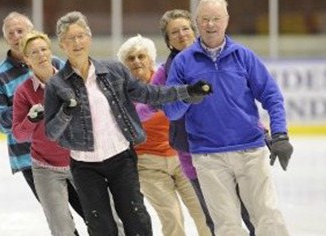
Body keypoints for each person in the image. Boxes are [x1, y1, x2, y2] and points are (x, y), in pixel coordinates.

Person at [44, 11, 211, 236]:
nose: (77, 43)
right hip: (85, 166)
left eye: (81, 36)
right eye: (70, 38)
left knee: (137, 219)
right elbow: (51, 132)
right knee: (101, 226)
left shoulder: (114, 71)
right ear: (62, 45)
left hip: (121, 160)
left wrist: (186, 91)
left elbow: (149, 93)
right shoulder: (56, 84)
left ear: (89, 38)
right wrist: (66, 112)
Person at [164, 1, 293, 235]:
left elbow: (272, 95)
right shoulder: (183, 62)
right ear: (197, 22)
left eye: (216, 19)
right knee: (226, 225)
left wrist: (280, 134)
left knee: (268, 217)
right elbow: (172, 111)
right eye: (204, 19)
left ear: (226, 21)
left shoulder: (243, 56)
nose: (210, 25)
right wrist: (187, 95)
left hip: (250, 151)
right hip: (208, 156)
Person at [154, 9, 256, 236]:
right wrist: (157, 103)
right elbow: (146, 103)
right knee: (215, 217)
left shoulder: (218, 57)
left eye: (185, 29)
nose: (181, 35)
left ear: (195, 30)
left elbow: (238, 102)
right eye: (174, 32)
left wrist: (258, 126)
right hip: (193, 154)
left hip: (231, 147)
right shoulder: (164, 73)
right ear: (168, 41)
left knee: (250, 213)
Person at [0, 11, 84, 223]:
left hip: (68, 151)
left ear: (31, 32)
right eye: (10, 33)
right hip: (30, 159)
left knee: (90, 211)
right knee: (61, 220)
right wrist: (24, 107)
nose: (15, 36)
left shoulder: (56, 64)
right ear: (5, 38)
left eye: (20, 30)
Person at [116, 34, 211, 236]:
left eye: (141, 56)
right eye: (130, 59)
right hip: (148, 165)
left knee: (204, 213)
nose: (137, 61)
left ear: (151, 59)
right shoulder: (121, 92)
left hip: (181, 158)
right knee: (172, 217)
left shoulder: (165, 81)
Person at [11, 31, 83, 236]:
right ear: (26, 59)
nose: (41, 55)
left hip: (81, 161)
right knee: (62, 228)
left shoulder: (73, 80)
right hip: (46, 167)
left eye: (44, 50)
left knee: (106, 217)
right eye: (34, 52)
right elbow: (19, 134)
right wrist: (31, 120)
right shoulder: (24, 91)